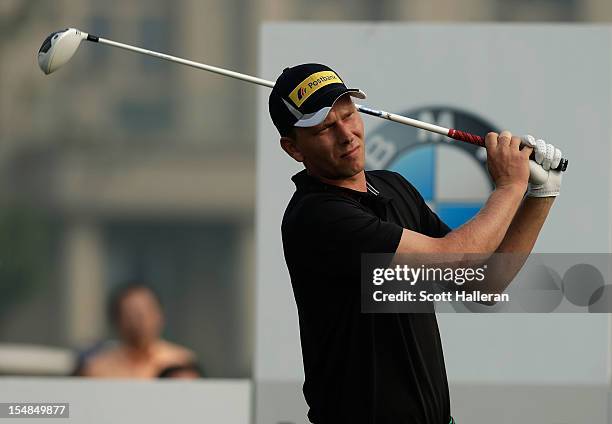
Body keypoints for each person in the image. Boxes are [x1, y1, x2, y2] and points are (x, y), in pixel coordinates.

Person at [269, 63, 562, 424]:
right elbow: (454, 258)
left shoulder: (393, 187)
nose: (347, 134)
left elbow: (483, 283)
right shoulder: (317, 216)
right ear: (293, 148)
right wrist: (509, 186)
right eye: (326, 127)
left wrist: (540, 193)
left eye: (348, 115)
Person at [78, 282, 196, 378]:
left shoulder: (181, 361)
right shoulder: (96, 368)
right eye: (130, 314)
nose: (138, 321)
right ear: (116, 320)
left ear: (160, 315)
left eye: (144, 313)